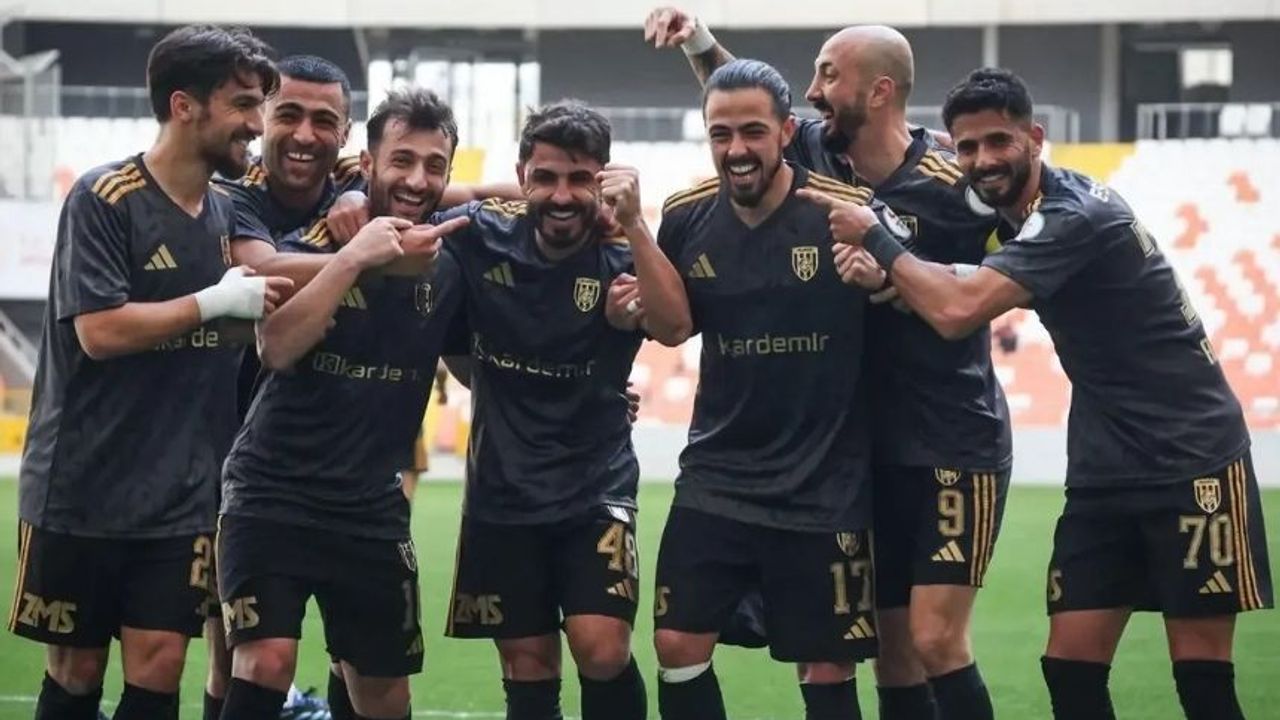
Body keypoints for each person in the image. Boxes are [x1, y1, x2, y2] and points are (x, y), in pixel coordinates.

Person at [818, 67, 1273, 720]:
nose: (984, 159)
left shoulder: (1074, 217)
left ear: (1035, 138)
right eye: (968, 147)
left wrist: (877, 239)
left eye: (999, 142)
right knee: (1070, 669)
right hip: (1104, 463)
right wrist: (898, 268)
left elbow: (958, 311)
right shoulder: (1027, 217)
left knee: (1201, 677)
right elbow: (970, 275)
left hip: (1191, 454)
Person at [644, 10, 1011, 719]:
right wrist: (696, 39)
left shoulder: (952, 183)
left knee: (935, 641)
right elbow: (743, 100)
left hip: (946, 434)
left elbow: (1023, 257)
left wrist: (904, 275)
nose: (814, 91)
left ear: (879, 92)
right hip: (857, 448)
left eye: (828, 75)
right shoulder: (816, 148)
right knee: (895, 649)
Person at [9, 24, 289, 720]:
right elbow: (100, 332)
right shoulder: (105, 198)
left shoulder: (226, 212)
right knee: (76, 671)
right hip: (82, 486)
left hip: (182, 494)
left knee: (161, 664)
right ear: (184, 105)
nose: (257, 125)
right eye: (242, 104)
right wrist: (212, 303)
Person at [640, 58, 895, 720]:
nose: (736, 149)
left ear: (786, 131)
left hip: (824, 483)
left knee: (827, 662)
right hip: (717, 476)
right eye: (720, 133)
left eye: (753, 131)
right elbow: (671, 324)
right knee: (676, 643)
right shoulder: (684, 217)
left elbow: (915, 294)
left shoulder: (848, 211)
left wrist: (882, 280)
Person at [215, 88, 468, 720]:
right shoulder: (314, 242)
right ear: (367, 164)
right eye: (401, 161)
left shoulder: (453, 260)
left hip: (370, 507)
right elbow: (276, 347)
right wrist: (353, 259)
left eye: (434, 165)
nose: (416, 180)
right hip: (271, 493)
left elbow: (474, 368)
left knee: (383, 694)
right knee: (265, 663)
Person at [436, 99, 683, 720]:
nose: (562, 195)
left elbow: (675, 326)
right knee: (527, 663)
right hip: (500, 489)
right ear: (523, 177)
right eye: (545, 177)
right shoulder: (481, 234)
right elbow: (422, 195)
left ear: (604, 180)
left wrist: (634, 224)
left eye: (580, 179)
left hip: (593, 486)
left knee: (601, 648)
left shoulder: (625, 255)